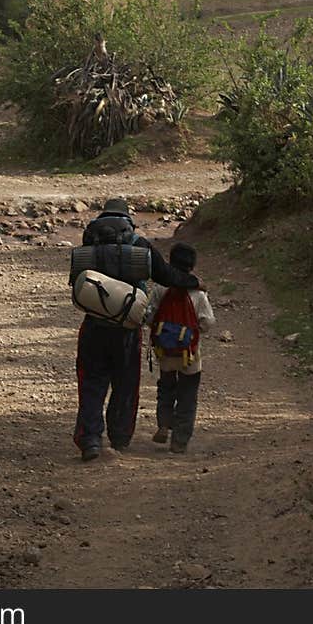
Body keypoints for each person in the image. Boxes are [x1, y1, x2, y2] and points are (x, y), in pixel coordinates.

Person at [72, 197, 202, 463]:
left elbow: (76, 282)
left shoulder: (90, 244)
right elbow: (167, 276)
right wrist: (194, 282)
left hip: (93, 327)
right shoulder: (139, 244)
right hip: (127, 330)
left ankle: (90, 440)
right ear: (127, 220)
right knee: (125, 385)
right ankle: (119, 438)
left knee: (91, 384)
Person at [144, 242, 215, 455]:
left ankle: (164, 424)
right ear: (192, 266)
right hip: (190, 354)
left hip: (165, 352)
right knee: (187, 395)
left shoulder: (160, 289)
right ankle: (180, 441)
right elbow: (208, 322)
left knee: (166, 389)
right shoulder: (198, 293)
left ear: (170, 263)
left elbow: (148, 315)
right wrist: (196, 331)